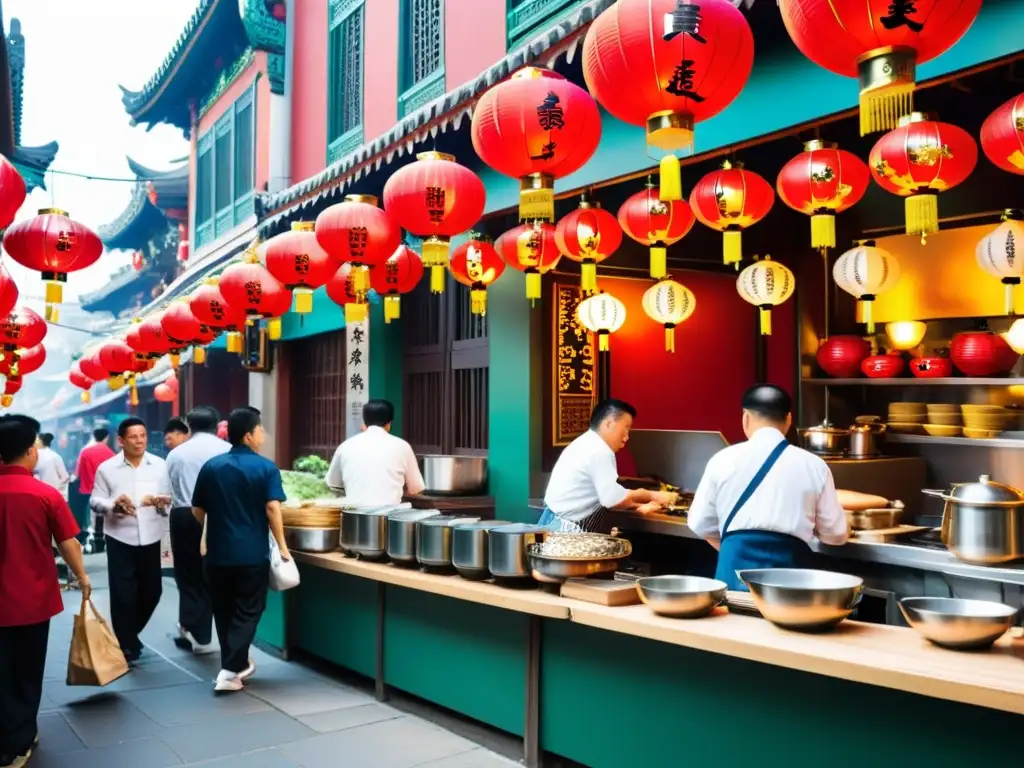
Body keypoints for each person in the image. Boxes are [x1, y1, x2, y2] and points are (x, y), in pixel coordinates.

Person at [687, 384, 849, 591]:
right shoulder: (813, 465)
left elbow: (700, 523)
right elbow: (835, 535)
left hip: (733, 571)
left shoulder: (722, 459)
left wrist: (734, 548)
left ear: (745, 417)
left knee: (732, 621)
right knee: (784, 621)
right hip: (789, 581)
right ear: (789, 420)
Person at [0, 415, 90, 768]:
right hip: (31, 598)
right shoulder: (43, 494)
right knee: (26, 670)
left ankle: (13, 733)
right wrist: (81, 576)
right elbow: (68, 542)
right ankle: (17, 742)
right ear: (29, 451)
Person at [192, 407, 289, 693]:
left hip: (217, 554)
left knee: (223, 611)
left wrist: (212, 530)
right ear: (248, 435)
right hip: (251, 554)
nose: (263, 435)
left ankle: (233, 667)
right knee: (249, 609)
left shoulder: (212, 466)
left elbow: (198, 510)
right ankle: (230, 669)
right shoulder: (265, 467)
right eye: (260, 430)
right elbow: (273, 508)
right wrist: (283, 547)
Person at [89, 418, 172, 662]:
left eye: (143, 436)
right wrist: (113, 505)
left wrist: (159, 502)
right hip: (119, 537)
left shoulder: (159, 465)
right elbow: (95, 501)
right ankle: (127, 644)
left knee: (152, 591)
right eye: (134, 437)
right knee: (123, 593)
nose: (139, 441)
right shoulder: (107, 468)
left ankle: (128, 633)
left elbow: (169, 499)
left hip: (152, 536)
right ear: (121, 440)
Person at [540, 399, 677, 533]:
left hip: (552, 522)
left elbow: (608, 497)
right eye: (626, 429)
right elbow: (613, 499)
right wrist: (652, 495)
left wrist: (640, 505)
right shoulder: (600, 450)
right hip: (565, 531)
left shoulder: (587, 442)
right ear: (608, 424)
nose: (627, 437)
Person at [166, 406, 229, 654]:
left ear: (188, 426)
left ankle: (197, 632)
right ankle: (217, 632)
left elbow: (170, 486)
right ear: (216, 425)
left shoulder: (177, 454)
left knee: (188, 574)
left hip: (184, 515)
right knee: (217, 573)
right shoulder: (227, 450)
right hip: (220, 515)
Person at [325, 399, 425, 505]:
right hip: (389, 516)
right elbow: (416, 488)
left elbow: (333, 483)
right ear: (389, 423)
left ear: (365, 422)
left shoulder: (345, 446)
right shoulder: (402, 447)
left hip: (354, 516)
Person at [75, 428, 115, 552]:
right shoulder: (111, 454)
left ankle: (96, 539)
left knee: (94, 516)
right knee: (108, 514)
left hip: (93, 489)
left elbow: (79, 472)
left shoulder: (85, 452)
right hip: (107, 490)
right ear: (106, 438)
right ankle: (106, 538)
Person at [34, 433, 69, 498]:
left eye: (35, 439)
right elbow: (65, 477)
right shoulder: (55, 456)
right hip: (53, 495)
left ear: (41, 441)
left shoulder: (32, 456)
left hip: (38, 496)